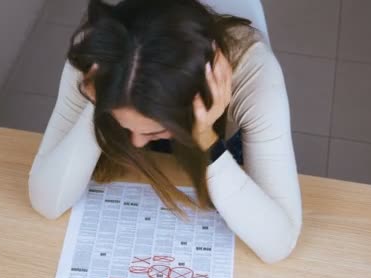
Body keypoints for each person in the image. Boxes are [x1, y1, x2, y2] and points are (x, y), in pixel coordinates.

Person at [28, 0, 302, 263]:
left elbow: (278, 243)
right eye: (128, 125)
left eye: (152, 131)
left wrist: (205, 137)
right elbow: (47, 202)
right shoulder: (98, 57)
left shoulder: (255, 73)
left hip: (220, 149)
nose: (136, 142)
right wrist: (99, 101)